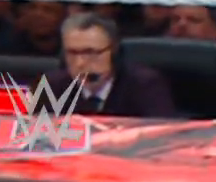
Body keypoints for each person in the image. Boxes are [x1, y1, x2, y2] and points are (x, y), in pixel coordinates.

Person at [38, 12, 177, 118]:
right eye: (72, 53)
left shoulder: (144, 85)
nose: (80, 63)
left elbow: (161, 138)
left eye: (91, 52)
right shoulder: (52, 86)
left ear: (114, 51)